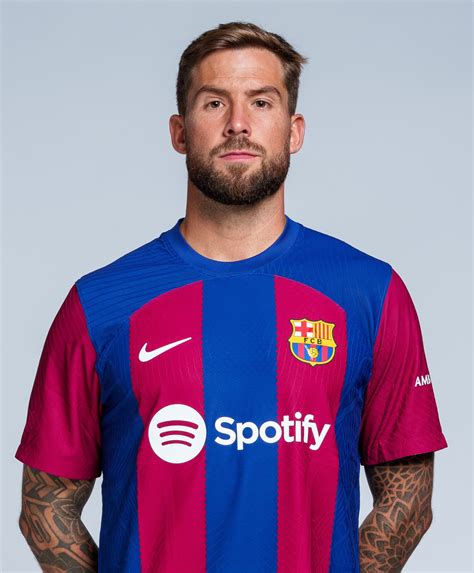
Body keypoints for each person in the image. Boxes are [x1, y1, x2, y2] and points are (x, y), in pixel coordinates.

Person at [15, 21, 448, 573]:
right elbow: (45, 507)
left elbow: (408, 499)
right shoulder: (99, 305)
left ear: (294, 131)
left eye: (261, 102)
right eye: (214, 102)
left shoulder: (370, 294)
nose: (238, 124)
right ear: (179, 132)